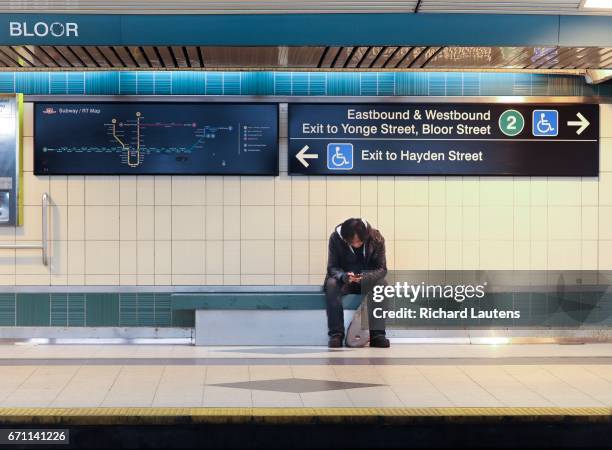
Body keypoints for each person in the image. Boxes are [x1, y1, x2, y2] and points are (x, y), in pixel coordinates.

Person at [324, 218, 390, 348]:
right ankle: (336, 334)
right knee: (331, 284)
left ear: (365, 237)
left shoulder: (377, 238)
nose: (355, 245)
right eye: (351, 242)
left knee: (382, 285)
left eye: (359, 242)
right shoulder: (335, 239)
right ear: (345, 238)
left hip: (367, 280)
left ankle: (377, 335)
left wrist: (366, 277)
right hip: (345, 280)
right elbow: (332, 267)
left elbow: (382, 269)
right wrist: (343, 276)